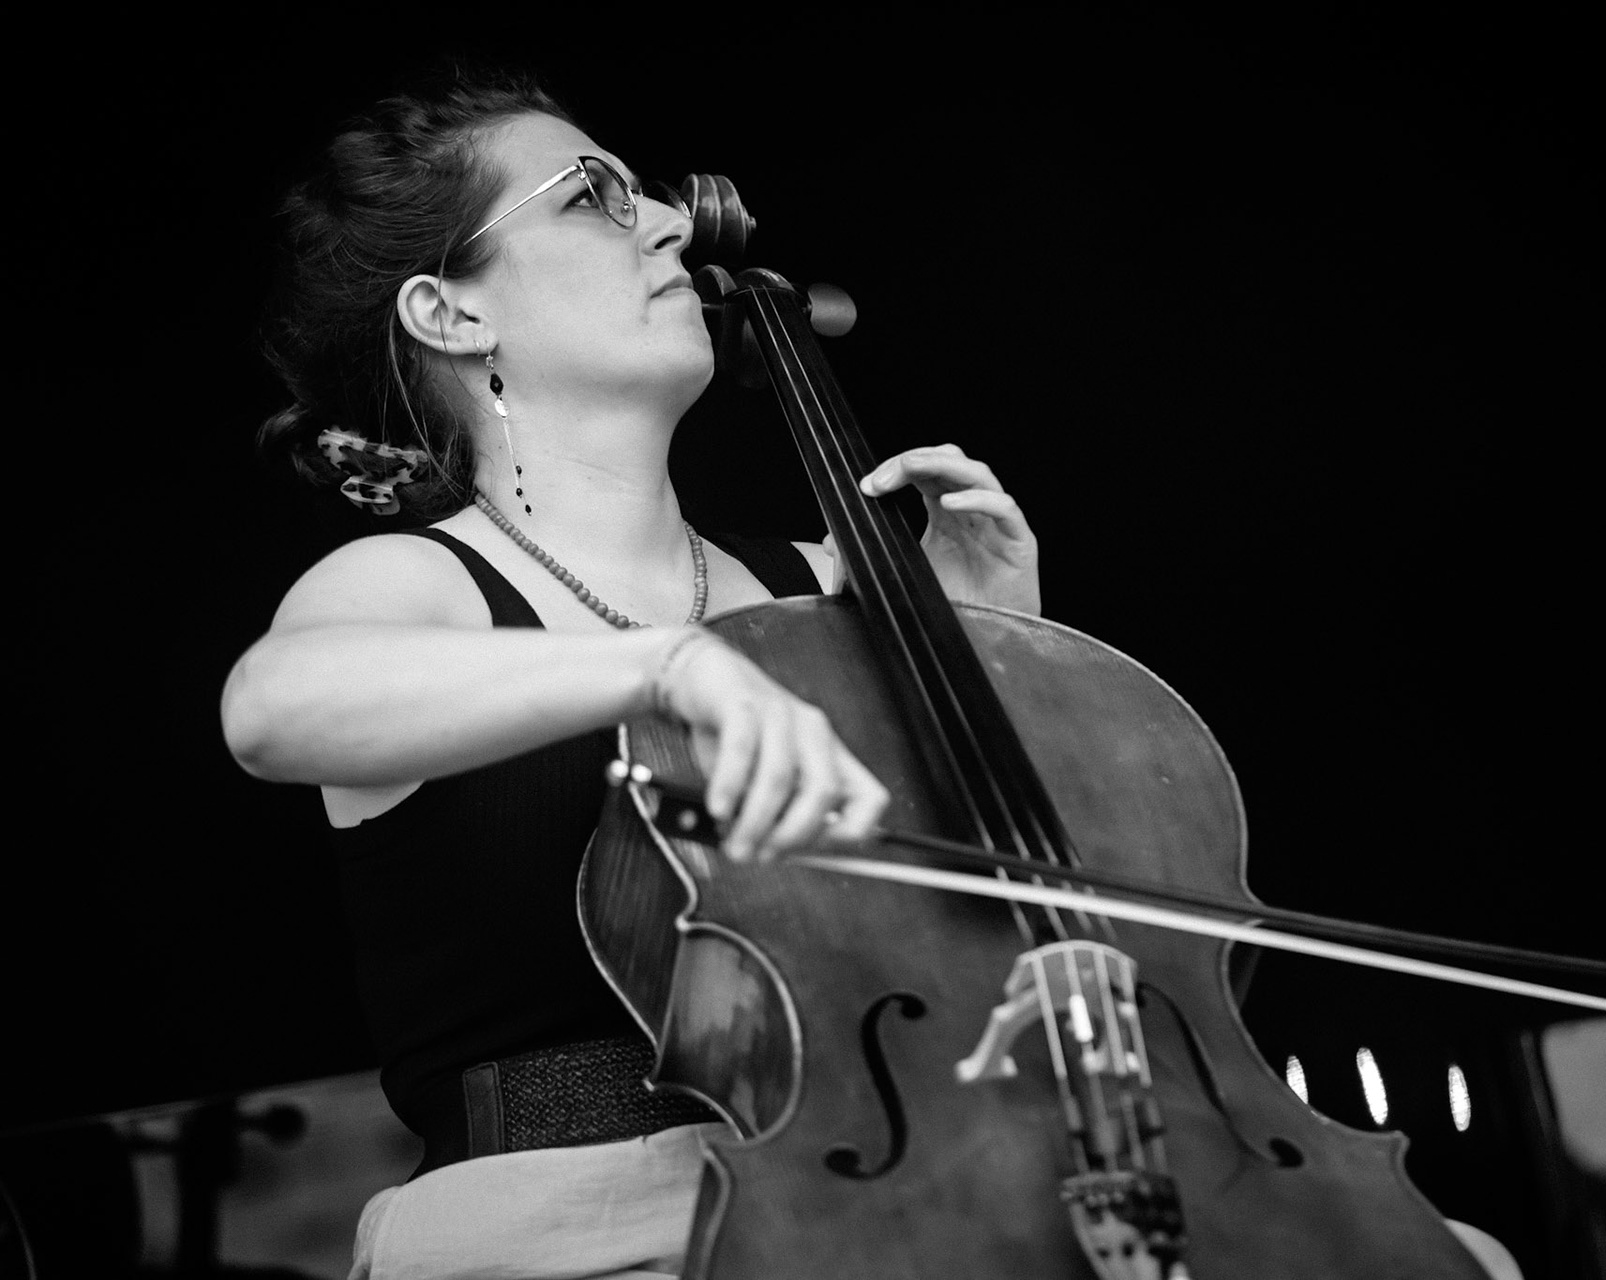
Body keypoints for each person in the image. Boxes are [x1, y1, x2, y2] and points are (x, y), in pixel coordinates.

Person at [220, 67, 1040, 1279]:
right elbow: (271, 711)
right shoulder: (421, 585)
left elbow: (1005, 940)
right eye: (591, 197)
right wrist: (659, 665)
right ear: (451, 313)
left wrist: (996, 646)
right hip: (563, 1243)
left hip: (916, 1213)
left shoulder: (845, 587)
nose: (666, 219)